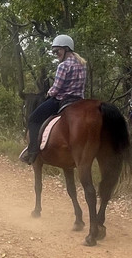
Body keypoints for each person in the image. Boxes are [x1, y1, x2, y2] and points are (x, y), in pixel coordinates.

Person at [21, 34, 88, 164]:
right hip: (79, 101)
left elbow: (56, 89)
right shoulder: (82, 64)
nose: (56, 54)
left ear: (66, 49)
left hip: (61, 101)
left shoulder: (63, 66)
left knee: (33, 119)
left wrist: (49, 93)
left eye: (58, 51)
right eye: (54, 52)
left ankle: (33, 151)